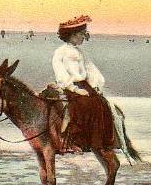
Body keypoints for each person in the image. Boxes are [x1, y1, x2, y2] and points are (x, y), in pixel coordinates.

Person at [51, 15, 135, 160]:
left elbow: (90, 69)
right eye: (81, 35)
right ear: (72, 35)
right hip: (71, 86)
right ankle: (75, 139)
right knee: (85, 104)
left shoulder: (80, 52)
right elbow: (60, 73)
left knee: (100, 103)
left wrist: (96, 84)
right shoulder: (60, 51)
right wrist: (74, 88)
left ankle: (100, 140)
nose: (83, 38)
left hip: (85, 84)